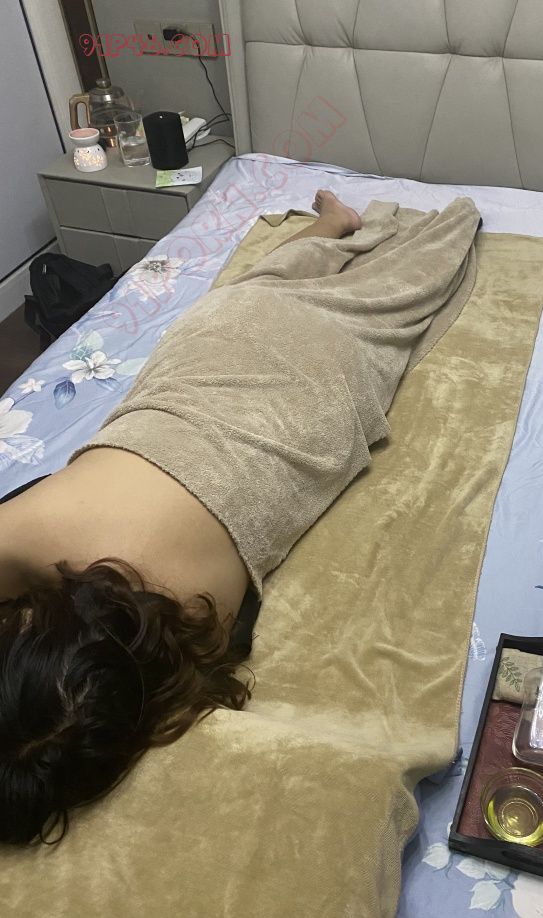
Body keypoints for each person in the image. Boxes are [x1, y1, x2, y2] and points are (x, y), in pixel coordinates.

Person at [0, 188, 480, 847]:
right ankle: (330, 227)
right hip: (227, 350)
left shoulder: (193, 654)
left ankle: (334, 228)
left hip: (321, 396)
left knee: (373, 297)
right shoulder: (25, 539)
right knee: (260, 287)